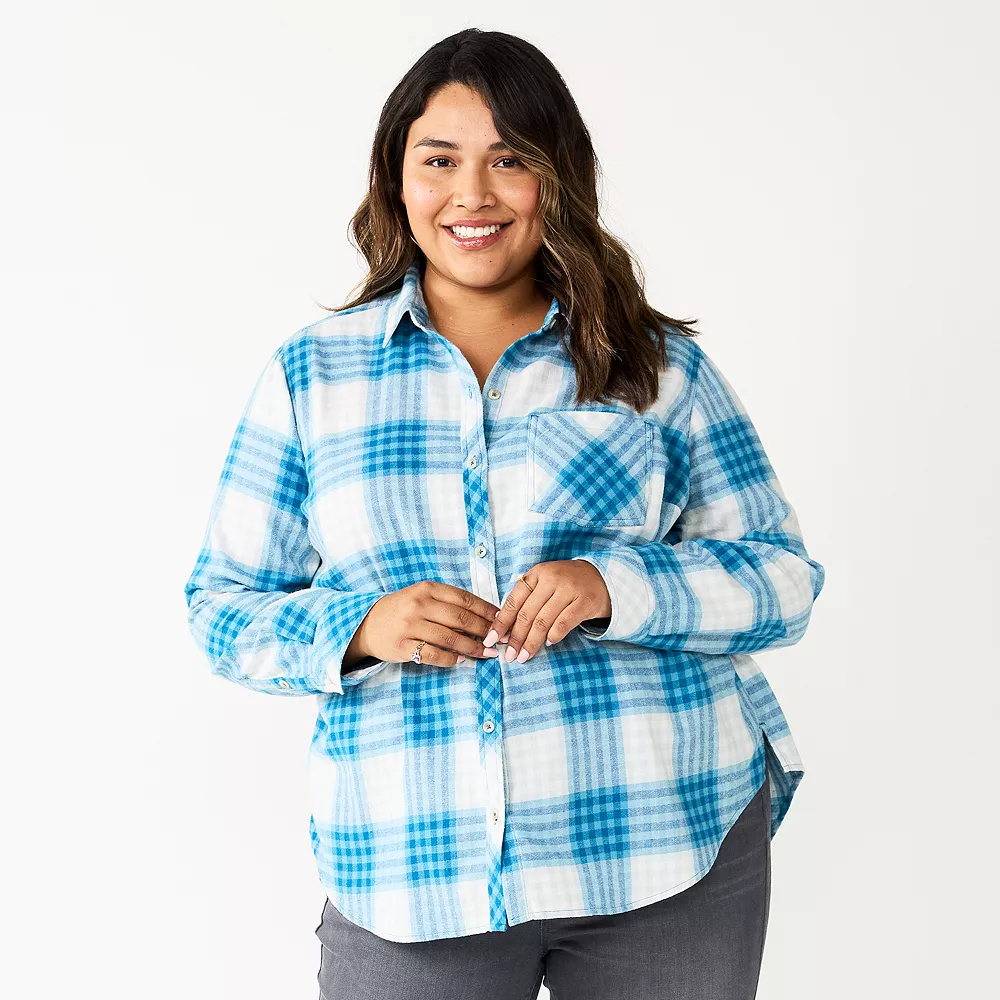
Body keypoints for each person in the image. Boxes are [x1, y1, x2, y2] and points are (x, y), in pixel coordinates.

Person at [183, 27, 826, 1000]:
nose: (473, 194)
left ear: (555, 180)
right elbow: (221, 608)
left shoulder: (656, 368)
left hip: (664, 844)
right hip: (413, 872)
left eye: (510, 160)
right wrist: (362, 627)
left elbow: (781, 580)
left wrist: (611, 585)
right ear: (396, 179)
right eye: (439, 161)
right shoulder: (312, 377)